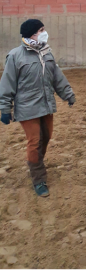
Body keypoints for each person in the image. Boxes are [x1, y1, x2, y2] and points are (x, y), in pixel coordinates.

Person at [0, 19, 76, 197]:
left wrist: (68, 94)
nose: (44, 32)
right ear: (32, 33)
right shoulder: (15, 56)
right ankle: (39, 179)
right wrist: (5, 108)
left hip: (46, 105)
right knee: (34, 141)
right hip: (27, 108)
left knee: (46, 137)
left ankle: (34, 163)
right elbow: (7, 83)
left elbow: (57, 77)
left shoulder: (46, 52)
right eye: (41, 29)